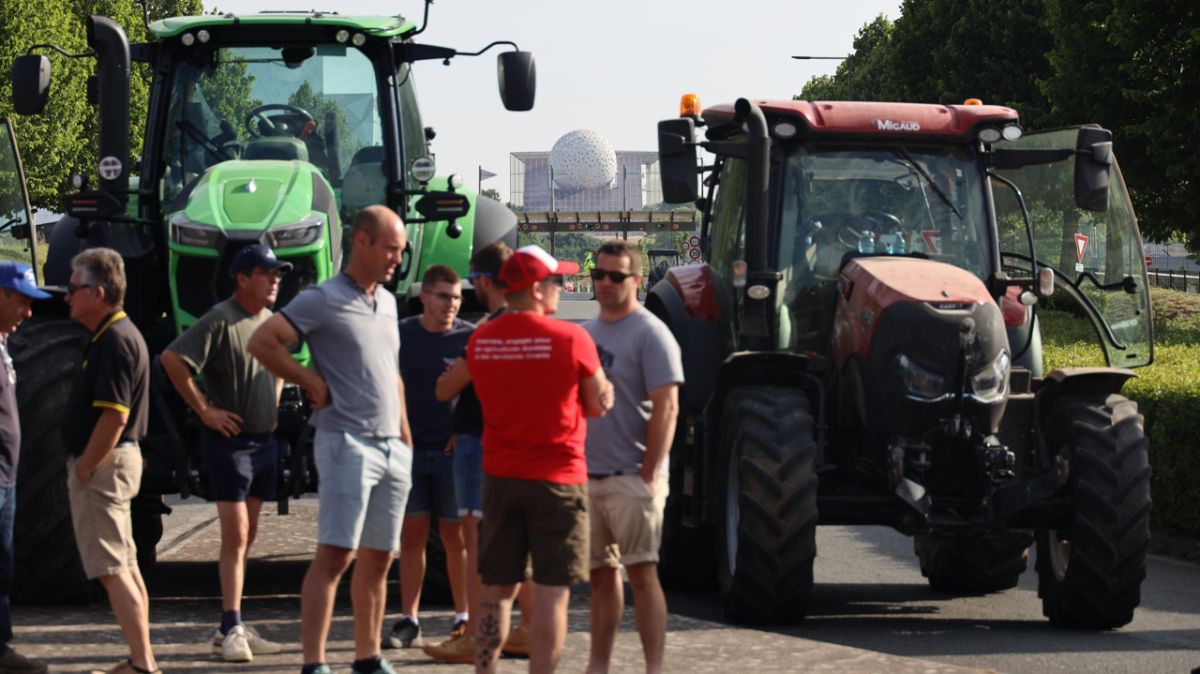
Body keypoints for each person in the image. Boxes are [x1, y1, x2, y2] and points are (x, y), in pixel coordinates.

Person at [248, 205, 413, 674]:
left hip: (391, 447)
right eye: (390, 249)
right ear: (361, 241)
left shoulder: (388, 303)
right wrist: (308, 380)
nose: (396, 259)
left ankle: (368, 657)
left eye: (400, 251)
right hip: (346, 441)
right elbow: (262, 341)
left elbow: (392, 375)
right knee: (336, 555)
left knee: (379, 560)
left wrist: (405, 438)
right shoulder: (322, 298)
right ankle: (314, 664)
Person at [465, 245, 613, 674]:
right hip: (557, 479)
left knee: (496, 590)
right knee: (551, 593)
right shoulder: (571, 338)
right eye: (555, 281)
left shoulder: (481, 340)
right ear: (534, 289)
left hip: (500, 477)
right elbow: (597, 405)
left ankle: (484, 669)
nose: (561, 288)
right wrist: (605, 392)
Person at [160, 244, 291, 662]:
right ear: (242, 278)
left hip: (264, 442)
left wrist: (272, 403)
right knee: (235, 536)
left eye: (277, 274)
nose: (275, 280)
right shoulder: (220, 318)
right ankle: (233, 625)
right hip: (230, 444)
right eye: (267, 273)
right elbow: (172, 359)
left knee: (247, 536)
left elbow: (280, 365)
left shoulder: (269, 321)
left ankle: (228, 627)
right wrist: (204, 410)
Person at [425, 242, 533, 664]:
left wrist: (453, 374)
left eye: (473, 280)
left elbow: (445, 389)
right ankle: (526, 628)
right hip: (517, 441)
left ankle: (474, 633)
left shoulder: (488, 330)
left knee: (474, 541)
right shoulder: (533, 326)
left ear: (485, 281)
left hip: (478, 439)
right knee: (515, 540)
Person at [582, 241, 683, 674]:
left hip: (633, 477)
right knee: (601, 578)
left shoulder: (651, 333)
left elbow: (668, 407)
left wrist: (649, 474)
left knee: (642, 575)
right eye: (599, 275)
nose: (605, 283)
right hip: (588, 477)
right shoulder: (585, 334)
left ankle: (653, 667)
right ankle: (598, 665)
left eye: (616, 276)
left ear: (636, 280)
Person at [62, 248, 158, 674]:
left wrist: (86, 465)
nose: (67, 296)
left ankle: (143, 664)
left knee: (112, 569)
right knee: (126, 565)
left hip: (105, 466)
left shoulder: (115, 340)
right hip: (115, 462)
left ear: (97, 293)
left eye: (73, 287)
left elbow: (115, 415)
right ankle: (141, 659)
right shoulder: (116, 335)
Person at [386, 265, 472, 649]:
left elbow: (479, 393)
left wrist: (461, 429)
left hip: (452, 453)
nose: (451, 304)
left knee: (456, 538)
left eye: (456, 298)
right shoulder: (402, 334)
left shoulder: (469, 337)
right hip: (411, 451)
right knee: (413, 537)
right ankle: (409, 619)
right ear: (424, 297)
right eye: (443, 296)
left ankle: (462, 617)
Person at [0, 262, 50, 674]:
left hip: (7, 478)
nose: (28, 313)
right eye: (22, 302)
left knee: (3, 566)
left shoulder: (4, 345)